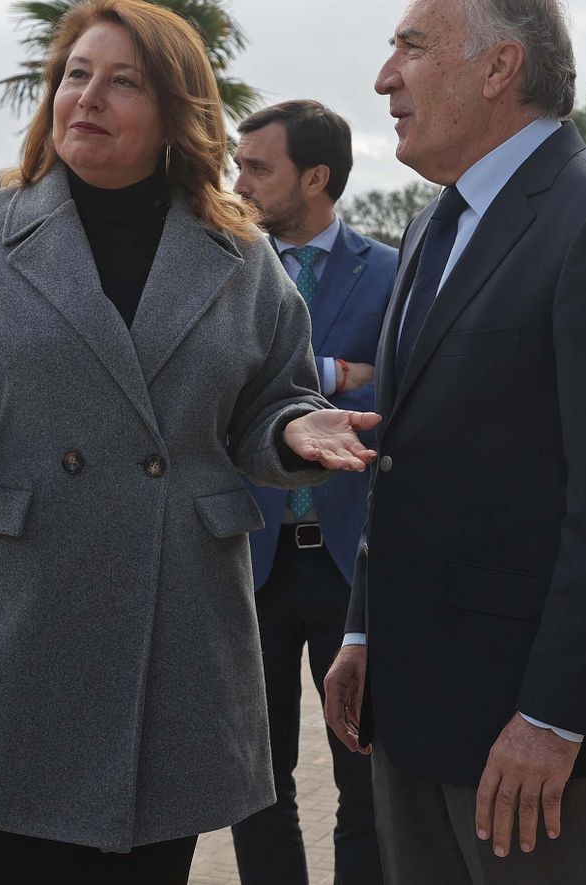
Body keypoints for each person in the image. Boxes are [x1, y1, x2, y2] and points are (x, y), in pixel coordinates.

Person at [0, 0, 380, 885]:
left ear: (176, 111)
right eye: (75, 75)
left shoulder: (240, 256)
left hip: (171, 629)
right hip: (8, 633)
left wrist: (295, 428)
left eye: (123, 82)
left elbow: (270, 403)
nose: (88, 97)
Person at [322, 0, 586, 883]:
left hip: (528, 738)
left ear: (498, 67)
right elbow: (406, 453)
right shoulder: (432, 224)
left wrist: (555, 716)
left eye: (411, 48)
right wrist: (365, 631)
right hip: (413, 709)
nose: (384, 78)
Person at [230, 99, 392, 885]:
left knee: (367, 775)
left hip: (353, 565)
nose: (238, 183)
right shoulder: (224, 267)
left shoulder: (393, 271)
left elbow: (410, 393)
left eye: (257, 168)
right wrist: (337, 372)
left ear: (316, 177)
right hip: (247, 563)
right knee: (255, 782)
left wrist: (346, 381)